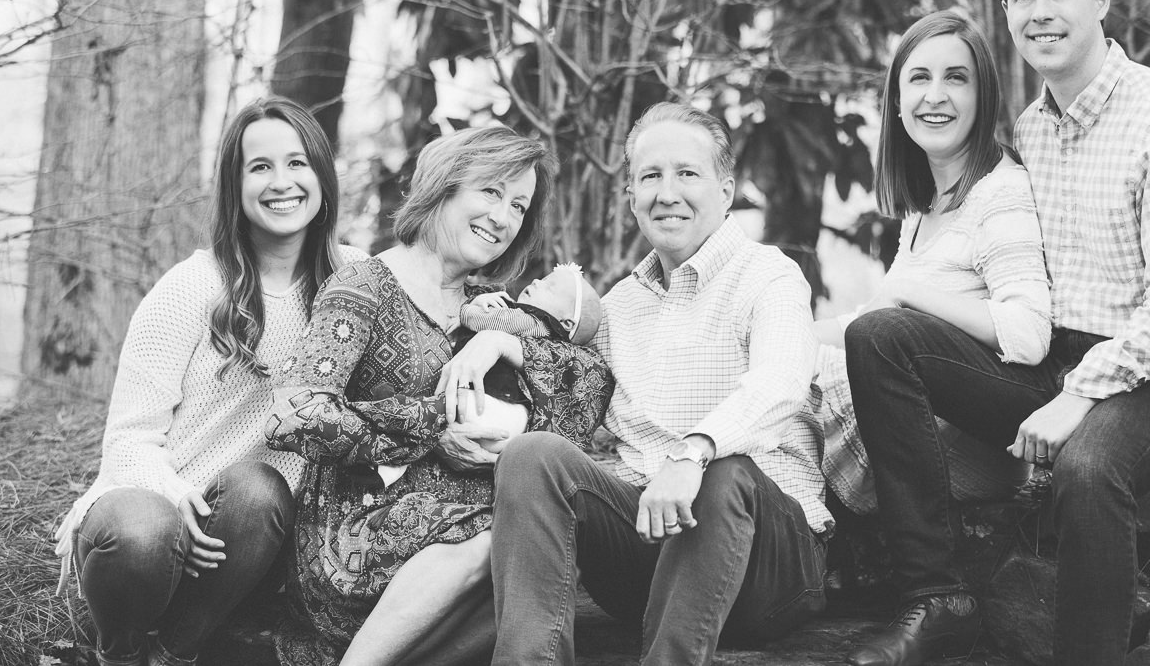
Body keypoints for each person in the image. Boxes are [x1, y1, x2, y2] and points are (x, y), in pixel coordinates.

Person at [844, 0, 1150, 666]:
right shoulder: (1034, 127)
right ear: (1006, 12)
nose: (1040, 10)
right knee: (878, 337)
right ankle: (936, 594)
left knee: (1086, 469)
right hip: (1062, 358)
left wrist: (1080, 395)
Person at [488, 102, 830, 666]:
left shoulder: (769, 275)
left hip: (770, 565)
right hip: (649, 562)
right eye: (650, 176)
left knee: (724, 472)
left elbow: (783, 380)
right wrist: (494, 340)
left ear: (726, 188)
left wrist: (692, 454)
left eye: (687, 174)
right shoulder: (619, 307)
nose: (666, 193)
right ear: (631, 196)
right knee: (532, 457)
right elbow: (562, 398)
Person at [264, 125, 613, 666]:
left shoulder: (497, 309)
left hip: (475, 556)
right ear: (442, 187)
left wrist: (503, 343)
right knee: (507, 541)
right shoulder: (364, 287)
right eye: (491, 192)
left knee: (541, 556)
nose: (504, 217)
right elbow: (298, 416)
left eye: (519, 206)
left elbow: (587, 394)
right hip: (360, 539)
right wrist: (432, 428)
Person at [54, 96, 360, 666]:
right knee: (144, 530)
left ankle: (174, 654)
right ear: (234, 185)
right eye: (259, 166)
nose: (282, 182)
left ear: (322, 175)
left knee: (257, 489)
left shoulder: (355, 284)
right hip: (156, 505)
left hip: (252, 530)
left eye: (297, 163)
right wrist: (176, 498)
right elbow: (127, 439)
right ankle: (119, 653)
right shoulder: (191, 288)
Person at [813, 11, 1049, 521]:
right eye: (919, 78)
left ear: (982, 97)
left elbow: (1028, 334)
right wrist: (786, 334)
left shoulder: (1001, 195)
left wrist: (911, 294)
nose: (935, 95)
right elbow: (878, 314)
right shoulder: (928, 204)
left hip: (965, 447)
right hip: (916, 419)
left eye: (955, 78)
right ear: (897, 103)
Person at [450, 261, 604, 450]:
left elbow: (493, 320)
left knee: (444, 405)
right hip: (505, 419)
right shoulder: (547, 341)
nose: (538, 282)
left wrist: (466, 310)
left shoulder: (534, 321)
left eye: (550, 288)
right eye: (543, 279)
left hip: (493, 410)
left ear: (566, 323)